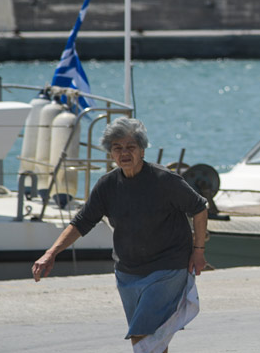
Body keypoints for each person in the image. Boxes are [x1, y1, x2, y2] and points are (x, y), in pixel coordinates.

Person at [33, 117, 209, 352]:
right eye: (117, 148)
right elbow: (81, 222)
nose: (124, 153)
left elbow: (199, 208)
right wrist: (51, 252)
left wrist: (198, 251)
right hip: (128, 272)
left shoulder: (164, 179)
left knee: (141, 334)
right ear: (110, 154)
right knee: (153, 337)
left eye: (130, 147)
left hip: (168, 267)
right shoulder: (107, 185)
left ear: (142, 150)